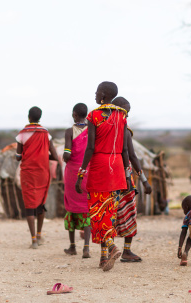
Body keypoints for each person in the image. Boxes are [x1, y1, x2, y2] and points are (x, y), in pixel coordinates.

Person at [75, 81, 130, 272]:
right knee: (109, 213)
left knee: (97, 212)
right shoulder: (121, 115)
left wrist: (81, 173)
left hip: (100, 166)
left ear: (104, 95)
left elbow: (90, 147)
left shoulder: (94, 115)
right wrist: (128, 174)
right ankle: (103, 257)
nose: (95, 93)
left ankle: (111, 246)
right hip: (116, 166)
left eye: (97, 91)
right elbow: (124, 149)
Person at [112, 96, 152, 263]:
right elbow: (130, 155)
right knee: (128, 213)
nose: (126, 117)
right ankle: (126, 251)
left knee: (110, 213)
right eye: (125, 113)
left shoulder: (100, 128)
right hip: (123, 177)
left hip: (106, 174)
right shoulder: (124, 130)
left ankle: (108, 250)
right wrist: (143, 180)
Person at [16, 106, 59, 249]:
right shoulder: (46, 134)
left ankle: (33, 240)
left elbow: (18, 156)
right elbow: (54, 155)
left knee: (29, 205)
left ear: (29, 117)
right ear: (39, 117)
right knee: (40, 203)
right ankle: (40, 235)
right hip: (42, 172)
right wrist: (42, 155)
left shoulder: (22, 134)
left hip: (28, 172)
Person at [62, 103, 91, 258]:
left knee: (71, 207)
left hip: (73, 172)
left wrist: (65, 156)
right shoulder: (92, 131)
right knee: (86, 208)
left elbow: (67, 154)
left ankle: (72, 246)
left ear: (74, 114)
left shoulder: (69, 132)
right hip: (87, 172)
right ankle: (86, 248)